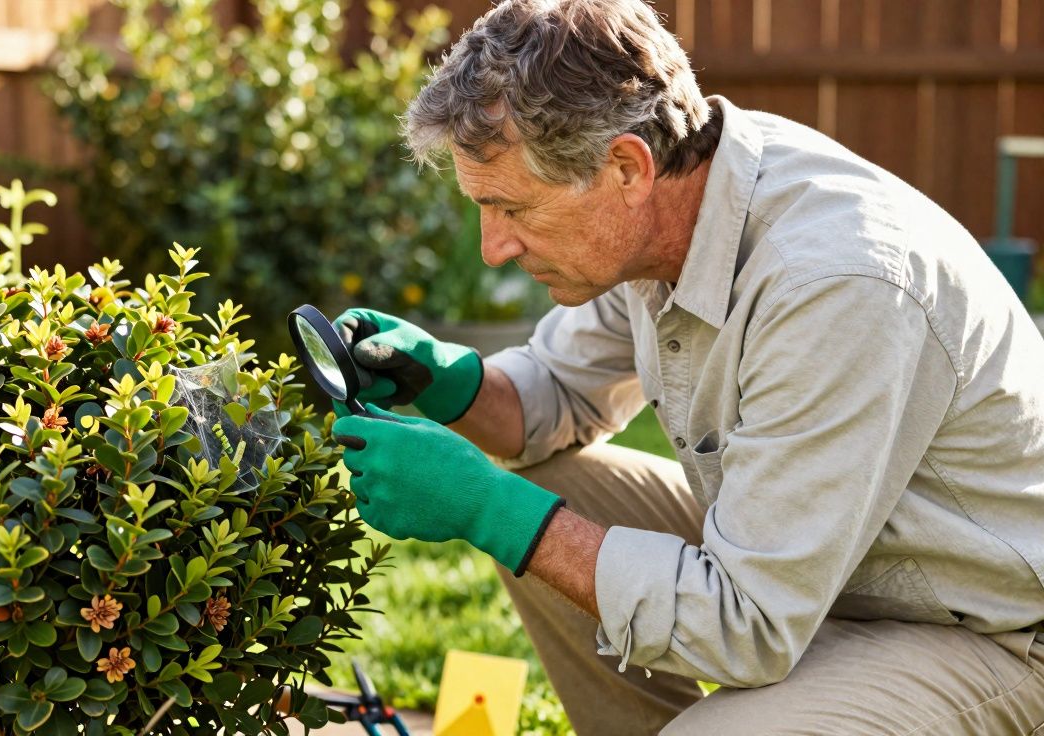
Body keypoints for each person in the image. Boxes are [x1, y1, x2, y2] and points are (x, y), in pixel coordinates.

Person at [327, 0, 1044, 733]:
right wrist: (446, 379)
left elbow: (751, 622)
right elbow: (558, 398)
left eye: (513, 210)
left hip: (985, 628)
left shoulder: (833, 283)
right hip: (829, 571)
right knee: (556, 482)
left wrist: (485, 508)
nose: (493, 248)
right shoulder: (674, 202)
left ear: (626, 169)